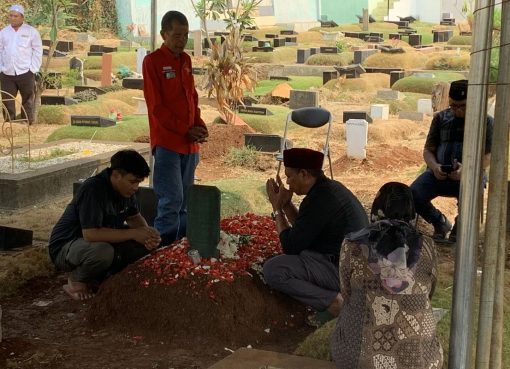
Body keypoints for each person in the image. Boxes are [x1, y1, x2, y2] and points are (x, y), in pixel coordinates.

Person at [330, 182, 443, 369]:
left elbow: (347, 292)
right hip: (419, 362)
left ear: (377, 208)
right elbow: (429, 292)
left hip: (356, 359)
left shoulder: (352, 244)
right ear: (412, 212)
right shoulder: (427, 246)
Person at [263, 148, 368, 317]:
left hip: (345, 272)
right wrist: (286, 204)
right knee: (302, 253)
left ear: (304, 174)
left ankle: (333, 301)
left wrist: (277, 209)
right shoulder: (328, 190)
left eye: (290, 176)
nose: (288, 183)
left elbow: (290, 246)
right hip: (352, 266)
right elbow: (304, 231)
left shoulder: (321, 198)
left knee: (274, 270)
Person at [48, 150, 161, 300]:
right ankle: (76, 280)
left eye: (138, 183)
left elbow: (134, 218)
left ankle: (101, 277)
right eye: (132, 181)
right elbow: (91, 234)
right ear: (116, 175)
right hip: (67, 246)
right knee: (103, 251)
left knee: (142, 244)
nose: (135, 187)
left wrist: (148, 235)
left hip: (97, 241)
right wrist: (135, 234)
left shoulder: (126, 191)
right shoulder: (93, 189)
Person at [142, 10, 208, 246]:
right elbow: (157, 108)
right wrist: (184, 130)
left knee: (186, 199)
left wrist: (199, 125)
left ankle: (180, 245)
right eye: (177, 35)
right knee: (171, 199)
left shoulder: (187, 60)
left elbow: (192, 97)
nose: (182, 40)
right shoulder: (152, 62)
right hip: (168, 143)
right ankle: (160, 248)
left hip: (189, 146)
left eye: (185, 35)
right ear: (163, 34)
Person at [410, 79, 493, 242]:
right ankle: (439, 221)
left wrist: (468, 171)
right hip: (438, 174)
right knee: (412, 194)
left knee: (473, 197)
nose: (457, 110)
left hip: (470, 176)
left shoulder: (486, 121)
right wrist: (434, 167)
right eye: (453, 105)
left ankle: (460, 226)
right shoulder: (441, 118)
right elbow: (428, 150)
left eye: (462, 106)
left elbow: (489, 156)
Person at [0, 4, 42, 125]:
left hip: (25, 72)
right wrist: (1, 68)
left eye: (16, 16)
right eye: (11, 15)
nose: (13, 18)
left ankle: (26, 123)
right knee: (7, 99)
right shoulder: (3, 32)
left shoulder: (31, 32)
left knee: (27, 99)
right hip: (7, 72)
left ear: (22, 17)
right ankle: (9, 123)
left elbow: (37, 50)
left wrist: (33, 69)